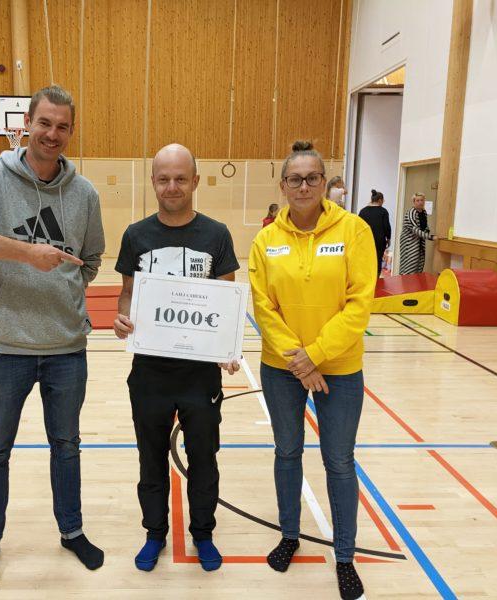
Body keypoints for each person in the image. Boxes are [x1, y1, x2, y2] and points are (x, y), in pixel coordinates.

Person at [0, 85, 106, 587]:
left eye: (63, 126)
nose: (52, 134)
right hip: (2, 348)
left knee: (67, 446)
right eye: (44, 123)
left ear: (71, 131)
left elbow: (92, 259)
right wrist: (26, 254)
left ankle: (72, 531)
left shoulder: (85, 194)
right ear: (26, 123)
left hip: (66, 350)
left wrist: (64, 293)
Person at [248, 141, 376, 600]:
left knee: (338, 461)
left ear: (325, 182)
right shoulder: (266, 241)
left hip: (339, 368)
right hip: (281, 368)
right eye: (295, 179)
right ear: (283, 185)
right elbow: (264, 308)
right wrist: (300, 363)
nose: (303, 186)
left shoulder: (355, 231)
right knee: (287, 452)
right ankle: (289, 535)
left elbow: (359, 304)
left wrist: (315, 355)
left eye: (312, 178)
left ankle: (344, 556)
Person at [113, 143, 240, 573]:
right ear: (153, 182)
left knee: (204, 459)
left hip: (200, 376)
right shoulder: (136, 235)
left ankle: (203, 532)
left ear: (195, 181)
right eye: (164, 179)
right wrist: (123, 319)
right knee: (150, 458)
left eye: (180, 178)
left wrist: (228, 347)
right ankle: (155, 532)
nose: (172, 186)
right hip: (150, 373)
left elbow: (227, 298)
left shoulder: (216, 234)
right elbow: (127, 293)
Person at [398, 192, 435, 274]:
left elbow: (425, 226)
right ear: (414, 202)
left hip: (419, 241)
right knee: (410, 264)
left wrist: (427, 231)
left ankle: (414, 281)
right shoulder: (411, 213)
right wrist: (430, 237)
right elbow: (415, 229)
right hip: (409, 242)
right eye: (418, 200)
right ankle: (405, 281)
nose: (420, 202)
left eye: (422, 200)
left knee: (419, 264)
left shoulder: (424, 212)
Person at [358, 189, 391, 277]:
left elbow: (358, 227)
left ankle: (365, 278)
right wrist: (388, 239)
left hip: (365, 240)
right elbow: (387, 227)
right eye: (383, 200)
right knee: (377, 260)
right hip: (379, 241)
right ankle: (375, 279)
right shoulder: (383, 211)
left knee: (366, 260)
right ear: (380, 200)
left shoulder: (363, 211)